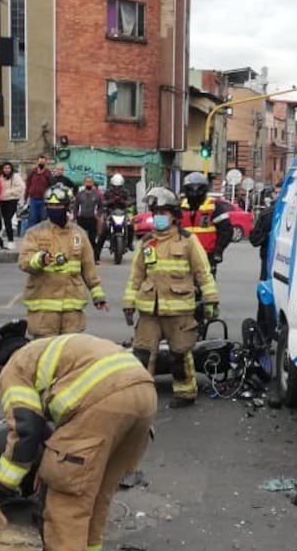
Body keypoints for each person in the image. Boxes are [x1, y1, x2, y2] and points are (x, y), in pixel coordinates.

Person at [0, 321, 156, 551]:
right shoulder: (47, 352)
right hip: (144, 393)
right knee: (96, 488)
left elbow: (25, 431)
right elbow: (48, 428)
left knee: (66, 494)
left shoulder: (12, 370)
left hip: (104, 401)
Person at [124, 188, 219, 408]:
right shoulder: (147, 242)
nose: (158, 216)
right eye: (156, 211)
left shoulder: (188, 241)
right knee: (142, 355)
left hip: (179, 311)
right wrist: (129, 303)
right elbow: (136, 276)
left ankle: (185, 394)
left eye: (163, 212)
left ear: (174, 215)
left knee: (180, 355)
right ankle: (141, 398)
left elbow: (203, 273)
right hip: (150, 311)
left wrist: (211, 300)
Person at [18, 184, 108, 337]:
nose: (54, 209)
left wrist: (98, 295)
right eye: (51, 206)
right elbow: (24, 261)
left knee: (70, 354)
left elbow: (89, 268)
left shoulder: (79, 234)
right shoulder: (35, 233)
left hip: (71, 309)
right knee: (44, 354)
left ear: (67, 207)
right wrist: (40, 260)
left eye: (58, 205)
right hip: (43, 309)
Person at [179, 171, 235, 273]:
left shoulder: (214, 207)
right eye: (190, 189)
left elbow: (226, 231)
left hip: (207, 255)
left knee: (206, 286)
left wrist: (218, 251)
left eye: (197, 189)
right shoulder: (180, 207)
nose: (194, 193)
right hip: (183, 255)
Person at [96, 173, 134, 262]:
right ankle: (96, 254)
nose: (117, 188)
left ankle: (130, 243)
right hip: (110, 214)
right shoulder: (108, 192)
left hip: (123, 213)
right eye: (115, 186)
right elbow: (103, 202)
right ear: (112, 185)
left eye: (119, 186)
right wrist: (111, 201)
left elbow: (130, 200)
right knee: (103, 231)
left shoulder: (125, 192)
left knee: (131, 226)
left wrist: (123, 202)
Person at [74, 175, 103, 254]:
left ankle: (94, 257)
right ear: (84, 183)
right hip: (81, 218)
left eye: (90, 182)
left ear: (93, 183)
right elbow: (76, 206)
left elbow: (101, 206)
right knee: (79, 238)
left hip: (92, 219)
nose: (88, 184)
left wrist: (98, 215)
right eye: (87, 182)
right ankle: (79, 255)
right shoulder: (79, 194)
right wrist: (75, 216)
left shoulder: (97, 195)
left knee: (92, 239)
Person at [0, 161, 25, 248]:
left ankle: (11, 241)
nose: (7, 170)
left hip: (12, 200)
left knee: (7, 219)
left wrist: (10, 192)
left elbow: (21, 187)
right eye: (5, 168)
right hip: (2, 200)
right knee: (5, 219)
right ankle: (1, 239)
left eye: (8, 168)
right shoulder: (0, 177)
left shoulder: (15, 177)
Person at [25, 155, 52, 232]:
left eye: (43, 161)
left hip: (44, 200)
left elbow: (51, 185)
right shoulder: (32, 172)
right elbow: (28, 184)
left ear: (46, 162)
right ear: (37, 162)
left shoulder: (48, 173)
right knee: (32, 218)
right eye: (40, 161)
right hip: (33, 199)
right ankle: (32, 236)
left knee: (43, 218)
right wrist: (26, 197)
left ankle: (42, 235)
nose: (41, 163)